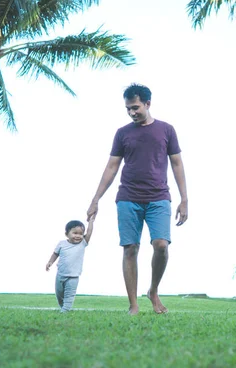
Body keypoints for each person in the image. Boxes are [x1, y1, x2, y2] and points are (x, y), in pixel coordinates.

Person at [87, 83, 188, 315]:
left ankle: (153, 291)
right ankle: (133, 304)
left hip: (159, 197)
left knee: (161, 245)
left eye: (135, 108)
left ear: (147, 104)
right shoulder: (123, 133)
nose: (132, 113)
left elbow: (177, 164)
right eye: (128, 109)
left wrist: (184, 199)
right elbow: (112, 166)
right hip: (128, 198)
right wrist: (96, 198)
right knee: (130, 248)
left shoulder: (166, 130)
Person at [46, 219, 94, 312]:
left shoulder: (82, 243)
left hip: (73, 276)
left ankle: (65, 311)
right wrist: (50, 262)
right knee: (59, 295)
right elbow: (55, 254)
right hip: (60, 275)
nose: (78, 236)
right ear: (66, 234)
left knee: (69, 296)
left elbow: (89, 233)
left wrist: (91, 222)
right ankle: (63, 308)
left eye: (80, 233)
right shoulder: (61, 244)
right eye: (75, 233)